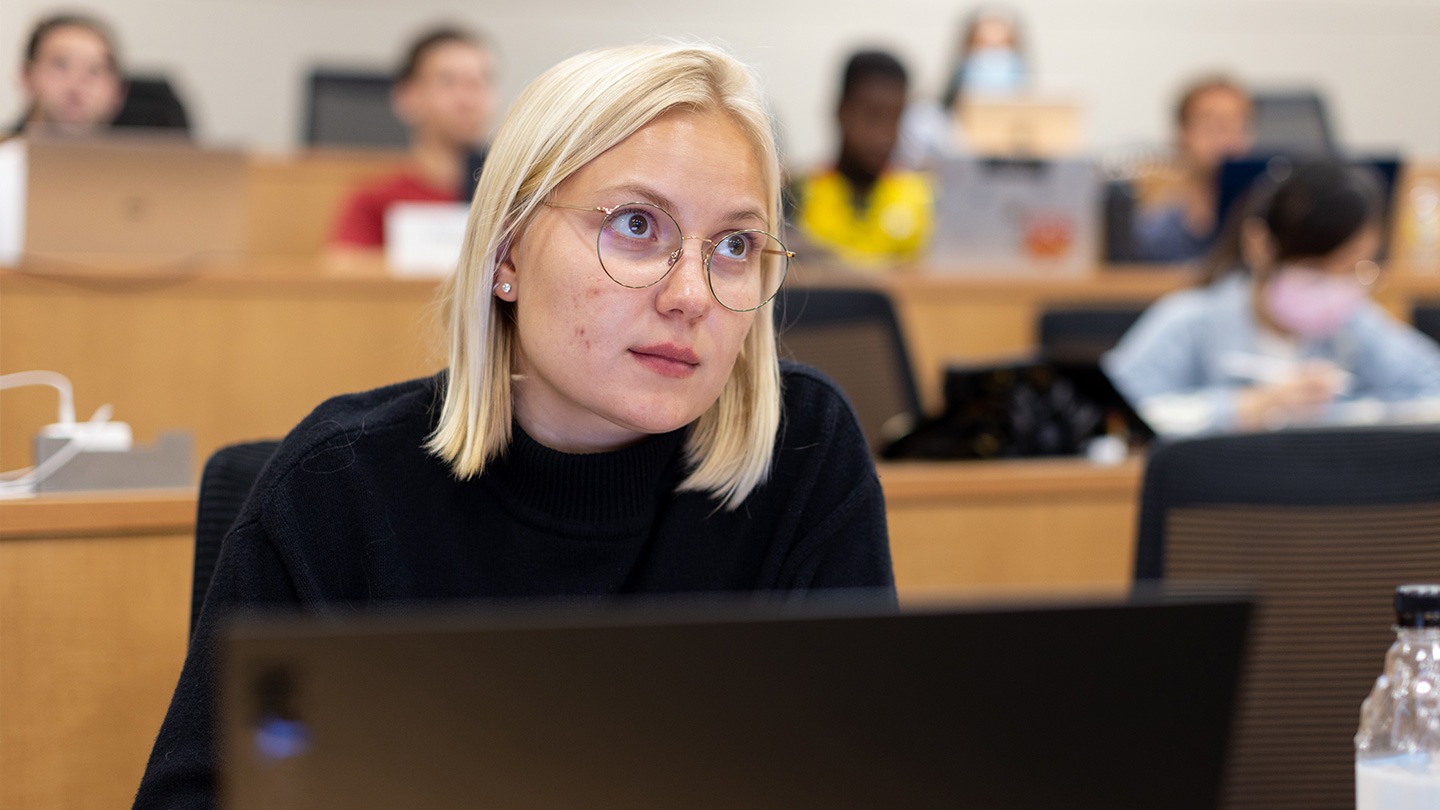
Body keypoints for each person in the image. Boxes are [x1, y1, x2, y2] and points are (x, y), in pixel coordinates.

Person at [134, 42, 894, 806]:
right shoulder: (339, 489)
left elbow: (867, 772)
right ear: (507, 253)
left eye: (733, 245)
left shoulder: (802, 451)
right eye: (636, 225)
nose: (691, 294)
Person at [1104, 161, 1440, 436]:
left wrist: (1355, 413)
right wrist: (1244, 408)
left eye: (1354, 268)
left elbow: (1430, 385)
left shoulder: (1355, 325)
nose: (1337, 285)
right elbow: (1113, 418)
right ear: (1260, 245)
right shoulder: (1189, 323)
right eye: (1316, 267)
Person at [328, 25, 499, 252]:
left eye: (480, 82)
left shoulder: (511, 198)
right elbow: (343, 276)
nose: (468, 99)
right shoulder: (375, 201)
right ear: (407, 97)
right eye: (449, 82)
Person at [791, 50, 933, 269]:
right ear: (842, 112)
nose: (884, 135)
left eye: (895, 118)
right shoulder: (799, 193)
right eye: (872, 117)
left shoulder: (920, 196)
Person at [1129, 75, 1254, 263]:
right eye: (1212, 126)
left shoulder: (1264, 216)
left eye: (1235, 126)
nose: (1225, 138)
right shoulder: (1156, 225)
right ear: (1182, 134)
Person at [894, 6, 1029, 169]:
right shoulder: (927, 125)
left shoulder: (1034, 137)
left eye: (1003, 46)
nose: (992, 57)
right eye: (981, 45)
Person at [11, 12, 124, 136]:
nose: (76, 86)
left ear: (118, 91)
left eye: (94, 71)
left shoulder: (137, 154)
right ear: (27, 75)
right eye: (60, 66)